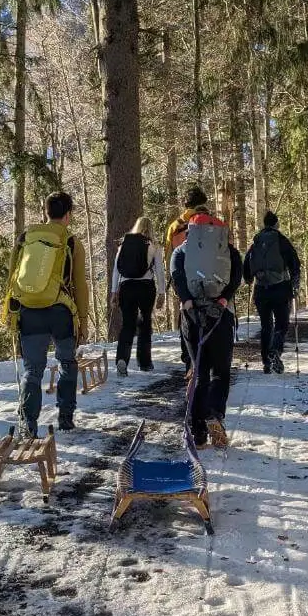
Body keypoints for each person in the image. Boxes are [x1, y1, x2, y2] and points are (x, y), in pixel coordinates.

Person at [4, 191, 90, 437]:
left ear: (46, 212)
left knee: (32, 370)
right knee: (66, 362)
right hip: (60, 312)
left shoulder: (25, 238)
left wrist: (12, 312)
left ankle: (28, 423)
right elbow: (80, 285)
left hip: (29, 311)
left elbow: (12, 277)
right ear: (69, 214)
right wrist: (83, 321)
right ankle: (65, 417)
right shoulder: (71, 241)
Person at [170, 205, 242, 449]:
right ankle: (215, 414)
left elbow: (177, 277)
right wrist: (223, 299)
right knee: (221, 372)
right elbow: (237, 275)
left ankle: (197, 431)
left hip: (192, 317)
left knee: (199, 372)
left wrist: (189, 303)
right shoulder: (226, 250)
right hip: (221, 315)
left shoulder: (181, 250)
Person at [243, 210, 301, 374]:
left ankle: (266, 362)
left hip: (261, 290)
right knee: (281, 324)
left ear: (264, 224)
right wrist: (295, 284)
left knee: (265, 325)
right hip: (281, 289)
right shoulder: (281, 240)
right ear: (276, 224)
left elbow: (246, 266)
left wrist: (248, 279)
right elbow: (294, 263)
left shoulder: (256, 241)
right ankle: (275, 350)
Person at [111, 217, 165, 376]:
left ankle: (122, 358)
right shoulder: (153, 245)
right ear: (150, 228)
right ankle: (145, 362)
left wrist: (114, 292)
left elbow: (116, 270)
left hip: (126, 288)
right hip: (146, 287)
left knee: (128, 325)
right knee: (145, 323)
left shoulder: (124, 244)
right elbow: (160, 271)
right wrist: (162, 292)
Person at [164, 185, 209, 375]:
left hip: (183, 277)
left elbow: (168, 255)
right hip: (207, 275)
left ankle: (188, 359)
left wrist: (173, 279)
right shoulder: (210, 221)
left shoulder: (175, 226)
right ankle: (206, 355)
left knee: (186, 315)